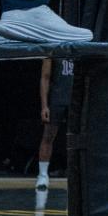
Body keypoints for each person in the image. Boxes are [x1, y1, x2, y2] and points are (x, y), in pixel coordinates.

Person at [34, 56, 72, 192]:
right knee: (48, 135)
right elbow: (45, 77)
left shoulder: (83, 41)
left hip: (77, 97)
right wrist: (44, 106)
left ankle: (76, 173)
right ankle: (43, 175)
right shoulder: (55, 47)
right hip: (58, 98)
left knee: (78, 138)